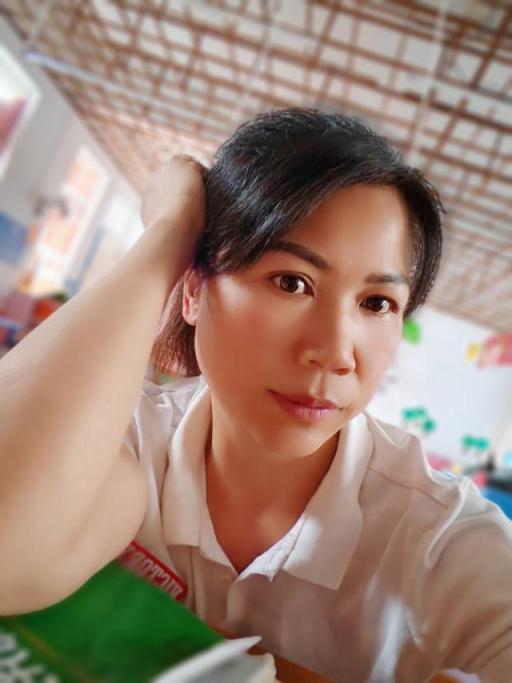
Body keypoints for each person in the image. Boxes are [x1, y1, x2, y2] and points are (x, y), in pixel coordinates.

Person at [0, 109, 510, 682]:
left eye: (376, 303)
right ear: (192, 291)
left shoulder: (443, 542)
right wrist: (169, 231)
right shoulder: (133, 441)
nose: (335, 352)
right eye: (292, 282)